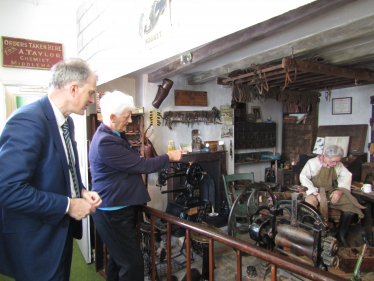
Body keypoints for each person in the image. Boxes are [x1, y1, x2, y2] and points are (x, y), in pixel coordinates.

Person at [0, 58, 102, 281]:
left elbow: (63, 168)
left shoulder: (67, 122)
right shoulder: (28, 120)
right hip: (35, 244)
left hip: (59, 234)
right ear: (74, 89)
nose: (92, 100)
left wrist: (81, 191)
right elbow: (7, 190)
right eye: (91, 93)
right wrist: (68, 205)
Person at [89, 91, 187, 281]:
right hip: (113, 211)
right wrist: (170, 156)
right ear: (112, 117)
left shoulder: (112, 133)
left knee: (118, 261)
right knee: (132, 265)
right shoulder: (106, 141)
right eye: (126, 117)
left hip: (116, 208)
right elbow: (140, 165)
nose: (129, 120)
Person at [300, 144, 365, 247]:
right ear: (325, 156)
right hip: (313, 191)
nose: (335, 164)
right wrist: (315, 193)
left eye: (337, 161)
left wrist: (339, 190)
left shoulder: (338, 165)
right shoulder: (312, 163)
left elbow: (346, 175)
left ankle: (341, 235)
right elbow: (303, 177)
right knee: (310, 204)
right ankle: (315, 237)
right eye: (332, 161)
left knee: (351, 204)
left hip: (329, 193)